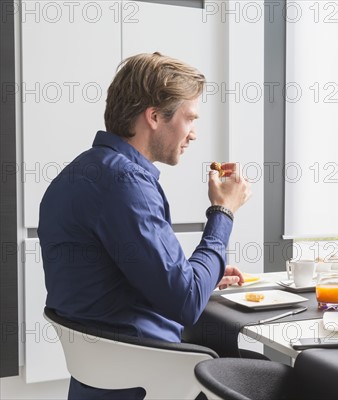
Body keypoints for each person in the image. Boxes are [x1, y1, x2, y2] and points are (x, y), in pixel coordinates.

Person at [38, 52, 251, 399]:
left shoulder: (78, 173)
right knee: (289, 378)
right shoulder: (125, 181)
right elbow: (186, 301)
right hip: (148, 377)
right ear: (153, 116)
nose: (194, 133)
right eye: (189, 119)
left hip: (100, 381)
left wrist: (204, 274)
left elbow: (118, 277)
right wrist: (223, 211)